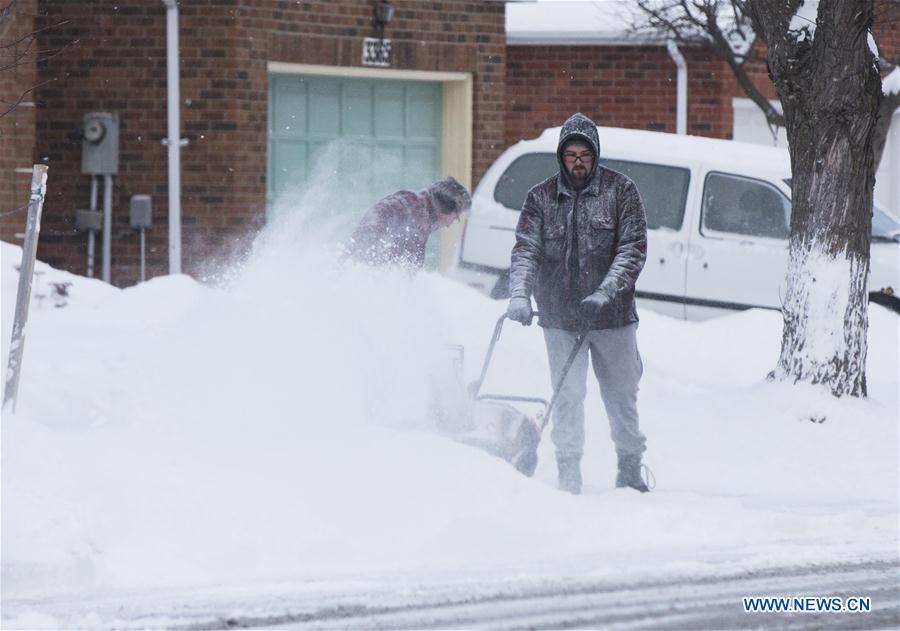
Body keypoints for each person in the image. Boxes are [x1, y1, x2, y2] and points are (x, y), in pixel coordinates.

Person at [506, 112, 651, 495]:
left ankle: (630, 467)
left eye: (584, 155)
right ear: (560, 157)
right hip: (559, 317)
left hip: (613, 318)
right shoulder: (540, 198)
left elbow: (633, 249)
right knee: (567, 395)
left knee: (621, 393)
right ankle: (569, 471)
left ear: (596, 155)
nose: (578, 162)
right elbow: (526, 250)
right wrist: (519, 295)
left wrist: (604, 293)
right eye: (570, 155)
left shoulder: (621, 192)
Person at [346, 176, 471, 270]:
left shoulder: (415, 201)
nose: (449, 225)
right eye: (455, 218)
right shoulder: (419, 216)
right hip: (366, 263)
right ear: (445, 207)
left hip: (358, 259)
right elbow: (410, 266)